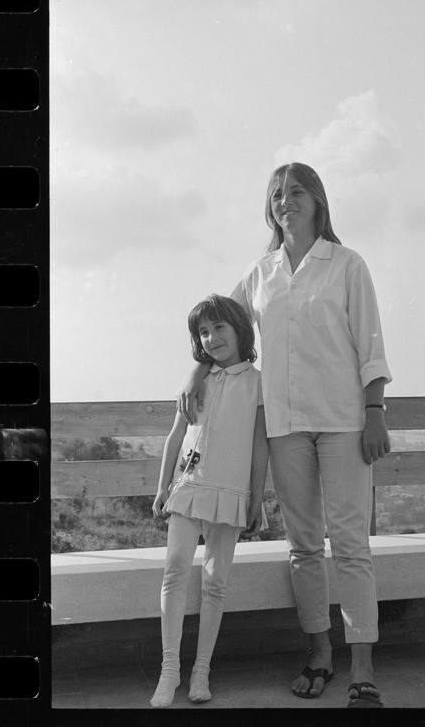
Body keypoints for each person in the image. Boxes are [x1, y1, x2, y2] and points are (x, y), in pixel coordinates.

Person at [178, 162, 392, 708]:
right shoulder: (260, 273)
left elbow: (370, 343)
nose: (285, 201)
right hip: (283, 425)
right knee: (302, 546)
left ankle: (362, 668)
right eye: (277, 194)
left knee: (350, 545)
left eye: (296, 192)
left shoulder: (346, 264)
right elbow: (218, 321)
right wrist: (196, 370)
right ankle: (319, 653)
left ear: (318, 200)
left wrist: (375, 410)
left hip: (344, 422)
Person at [150, 294, 268, 707]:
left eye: (220, 327)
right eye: (204, 331)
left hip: (232, 492)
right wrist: (163, 486)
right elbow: (175, 436)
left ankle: (201, 671)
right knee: (175, 571)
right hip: (189, 488)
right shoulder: (196, 381)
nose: (212, 337)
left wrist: (255, 501)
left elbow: (259, 446)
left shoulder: (258, 383)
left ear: (239, 330)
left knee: (215, 581)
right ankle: (169, 672)